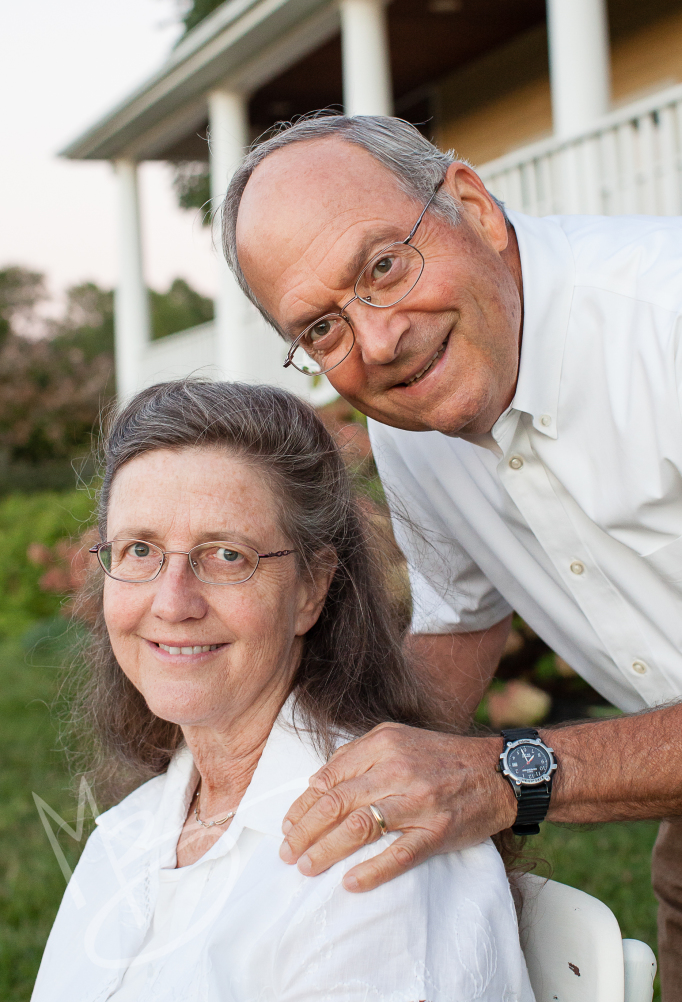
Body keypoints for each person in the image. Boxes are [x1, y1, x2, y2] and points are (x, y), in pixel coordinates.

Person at [222, 112, 682, 997]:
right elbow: (459, 616)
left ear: (472, 205)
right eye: (322, 328)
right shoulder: (415, 417)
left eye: (384, 267)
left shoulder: (663, 322)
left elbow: (497, 774)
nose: (381, 342)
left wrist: (506, 777)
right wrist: (309, 785)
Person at [32, 380, 534, 1002]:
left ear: (310, 589)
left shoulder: (368, 852)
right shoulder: (129, 832)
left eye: (226, 556)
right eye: (140, 550)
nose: (172, 602)